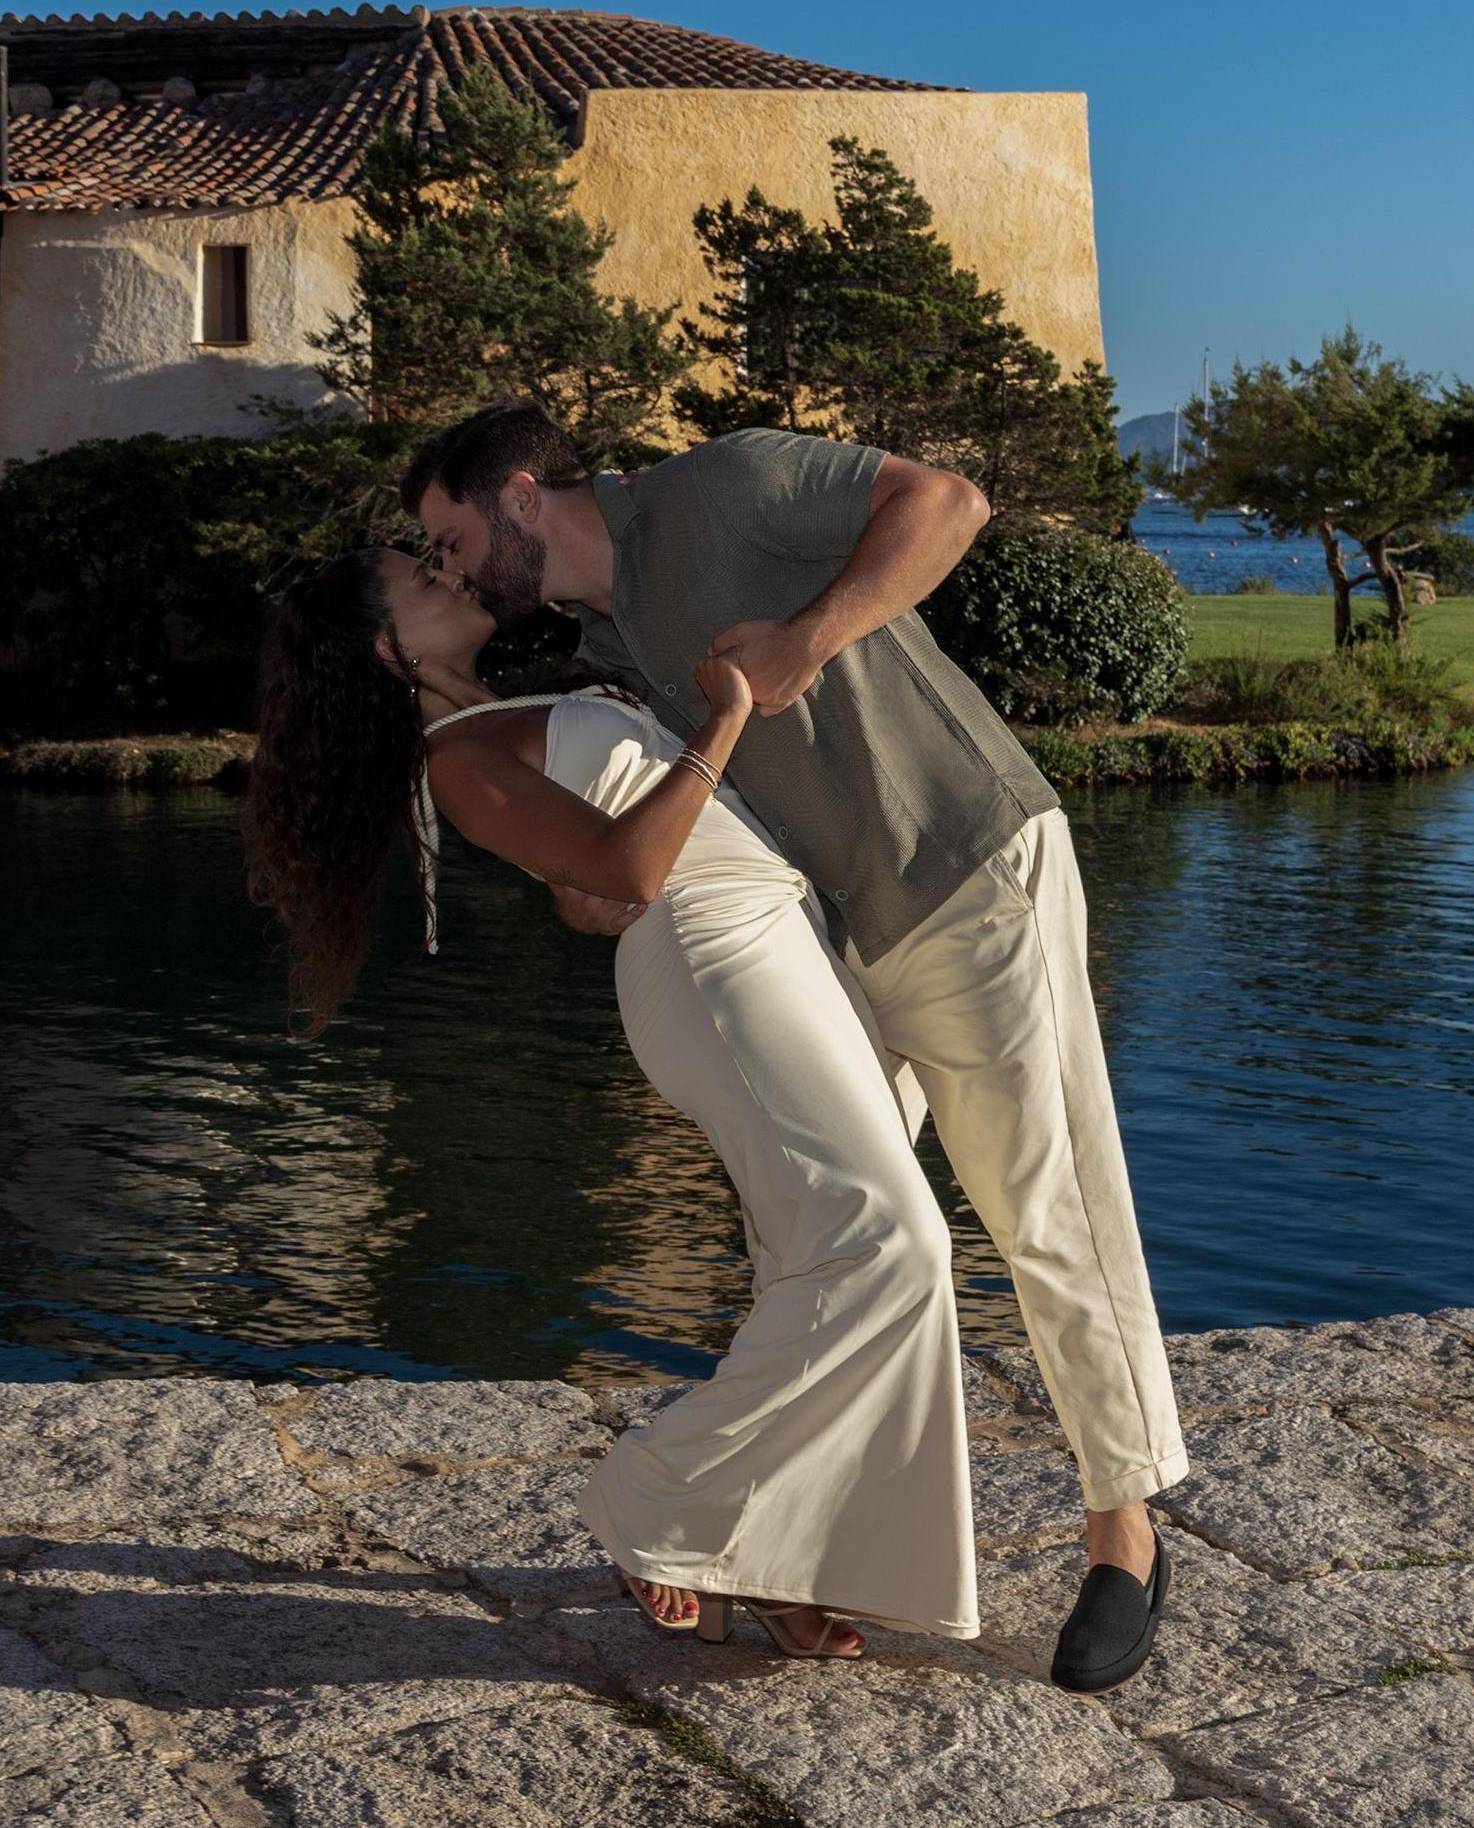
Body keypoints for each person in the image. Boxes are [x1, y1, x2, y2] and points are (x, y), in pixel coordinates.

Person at [403, 400, 1188, 1693]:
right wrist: (586, 894)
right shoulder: (609, 643)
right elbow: (654, 827)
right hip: (836, 936)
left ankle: (1127, 1533)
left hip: (965, 867)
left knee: (1044, 1205)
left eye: (450, 539)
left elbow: (949, 504)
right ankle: (778, 1544)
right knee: (825, 1239)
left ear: (522, 496)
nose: (450, 569)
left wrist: (806, 638)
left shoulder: (721, 484)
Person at [240, 547, 974, 1657]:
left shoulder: (518, 704)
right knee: (889, 1241)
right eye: (423, 583)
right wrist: (724, 720)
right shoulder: (458, 757)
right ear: (390, 650)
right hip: (717, 959)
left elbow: (593, 876)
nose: (451, 578)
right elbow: (631, 870)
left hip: (783, 935)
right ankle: (653, 1501)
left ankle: (776, 1554)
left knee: (810, 1258)